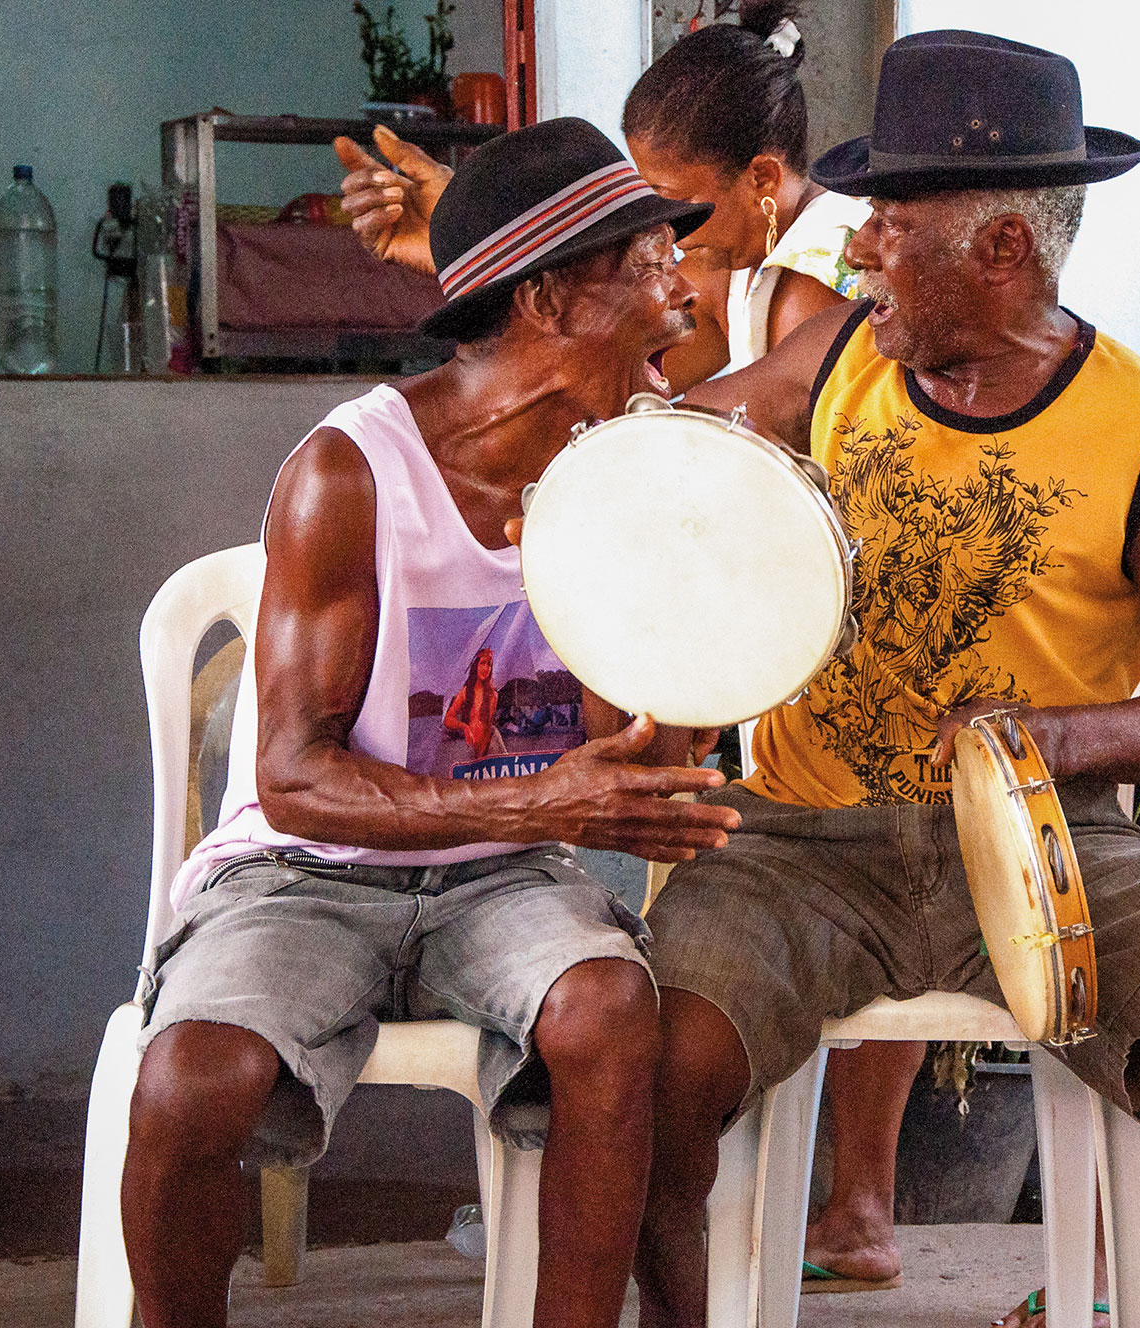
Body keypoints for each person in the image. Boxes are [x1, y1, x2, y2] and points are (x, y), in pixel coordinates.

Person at [625, 31, 1140, 1328]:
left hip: (1047, 841)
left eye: (893, 223)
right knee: (642, 1048)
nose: (861, 247)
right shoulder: (836, 363)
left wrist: (1069, 736)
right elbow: (670, 456)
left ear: (1001, 250)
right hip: (802, 845)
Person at [118, 119, 743, 1328]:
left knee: (612, 1015)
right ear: (553, 295)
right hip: (308, 870)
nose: (685, 291)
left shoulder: (629, 468)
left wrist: (678, 711)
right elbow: (295, 779)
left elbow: (634, 727)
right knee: (190, 1082)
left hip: (505, 875)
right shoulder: (351, 473)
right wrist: (541, 797)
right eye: (653, 260)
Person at [335, 7, 910, 1291]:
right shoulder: (747, 253)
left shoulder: (827, 262)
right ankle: (616, 1160)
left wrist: (587, 408)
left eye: (671, 224)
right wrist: (499, 273)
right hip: (754, 615)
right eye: (636, 234)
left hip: (835, 642)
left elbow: (739, 394)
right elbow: (625, 340)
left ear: (758, 187)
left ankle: (817, 1191)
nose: (667, 262)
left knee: (714, 881)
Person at [334, 1, 867, 395]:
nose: (668, 229)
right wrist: (477, 249)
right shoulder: (742, 261)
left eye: (669, 197)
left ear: (762, 179)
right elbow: (610, 368)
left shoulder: (812, 281)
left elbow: (749, 444)